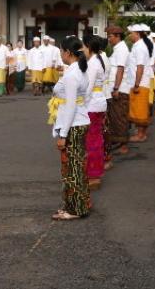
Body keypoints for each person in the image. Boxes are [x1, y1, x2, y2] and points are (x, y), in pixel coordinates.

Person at [50, 36, 91, 221]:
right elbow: (60, 91)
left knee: (73, 168)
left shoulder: (73, 74)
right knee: (75, 166)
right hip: (80, 120)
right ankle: (74, 204)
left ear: (67, 52)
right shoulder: (78, 71)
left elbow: (71, 105)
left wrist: (63, 134)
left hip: (73, 124)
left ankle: (75, 209)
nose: (60, 54)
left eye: (61, 51)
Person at [85, 37, 107, 190]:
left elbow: (88, 87)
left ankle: (93, 174)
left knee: (92, 140)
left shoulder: (93, 63)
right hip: (99, 101)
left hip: (93, 102)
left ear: (89, 47)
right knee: (96, 138)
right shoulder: (99, 60)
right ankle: (95, 172)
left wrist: (79, 103)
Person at [105, 25, 131, 157]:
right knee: (115, 116)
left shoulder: (121, 49)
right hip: (116, 87)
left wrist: (116, 88)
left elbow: (120, 70)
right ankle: (119, 141)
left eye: (110, 36)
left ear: (118, 36)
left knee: (120, 116)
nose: (109, 39)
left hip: (120, 88)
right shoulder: (117, 49)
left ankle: (124, 144)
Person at [128, 24, 154, 143]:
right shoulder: (138, 46)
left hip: (140, 83)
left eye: (131, 33)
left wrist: (137, 84)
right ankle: (141, 132)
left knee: (140, 110)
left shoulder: (140, 47)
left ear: (137, 34)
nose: (129, 36)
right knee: (139, 109)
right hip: (139, 82)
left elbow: (140, 67)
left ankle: (141, 134)